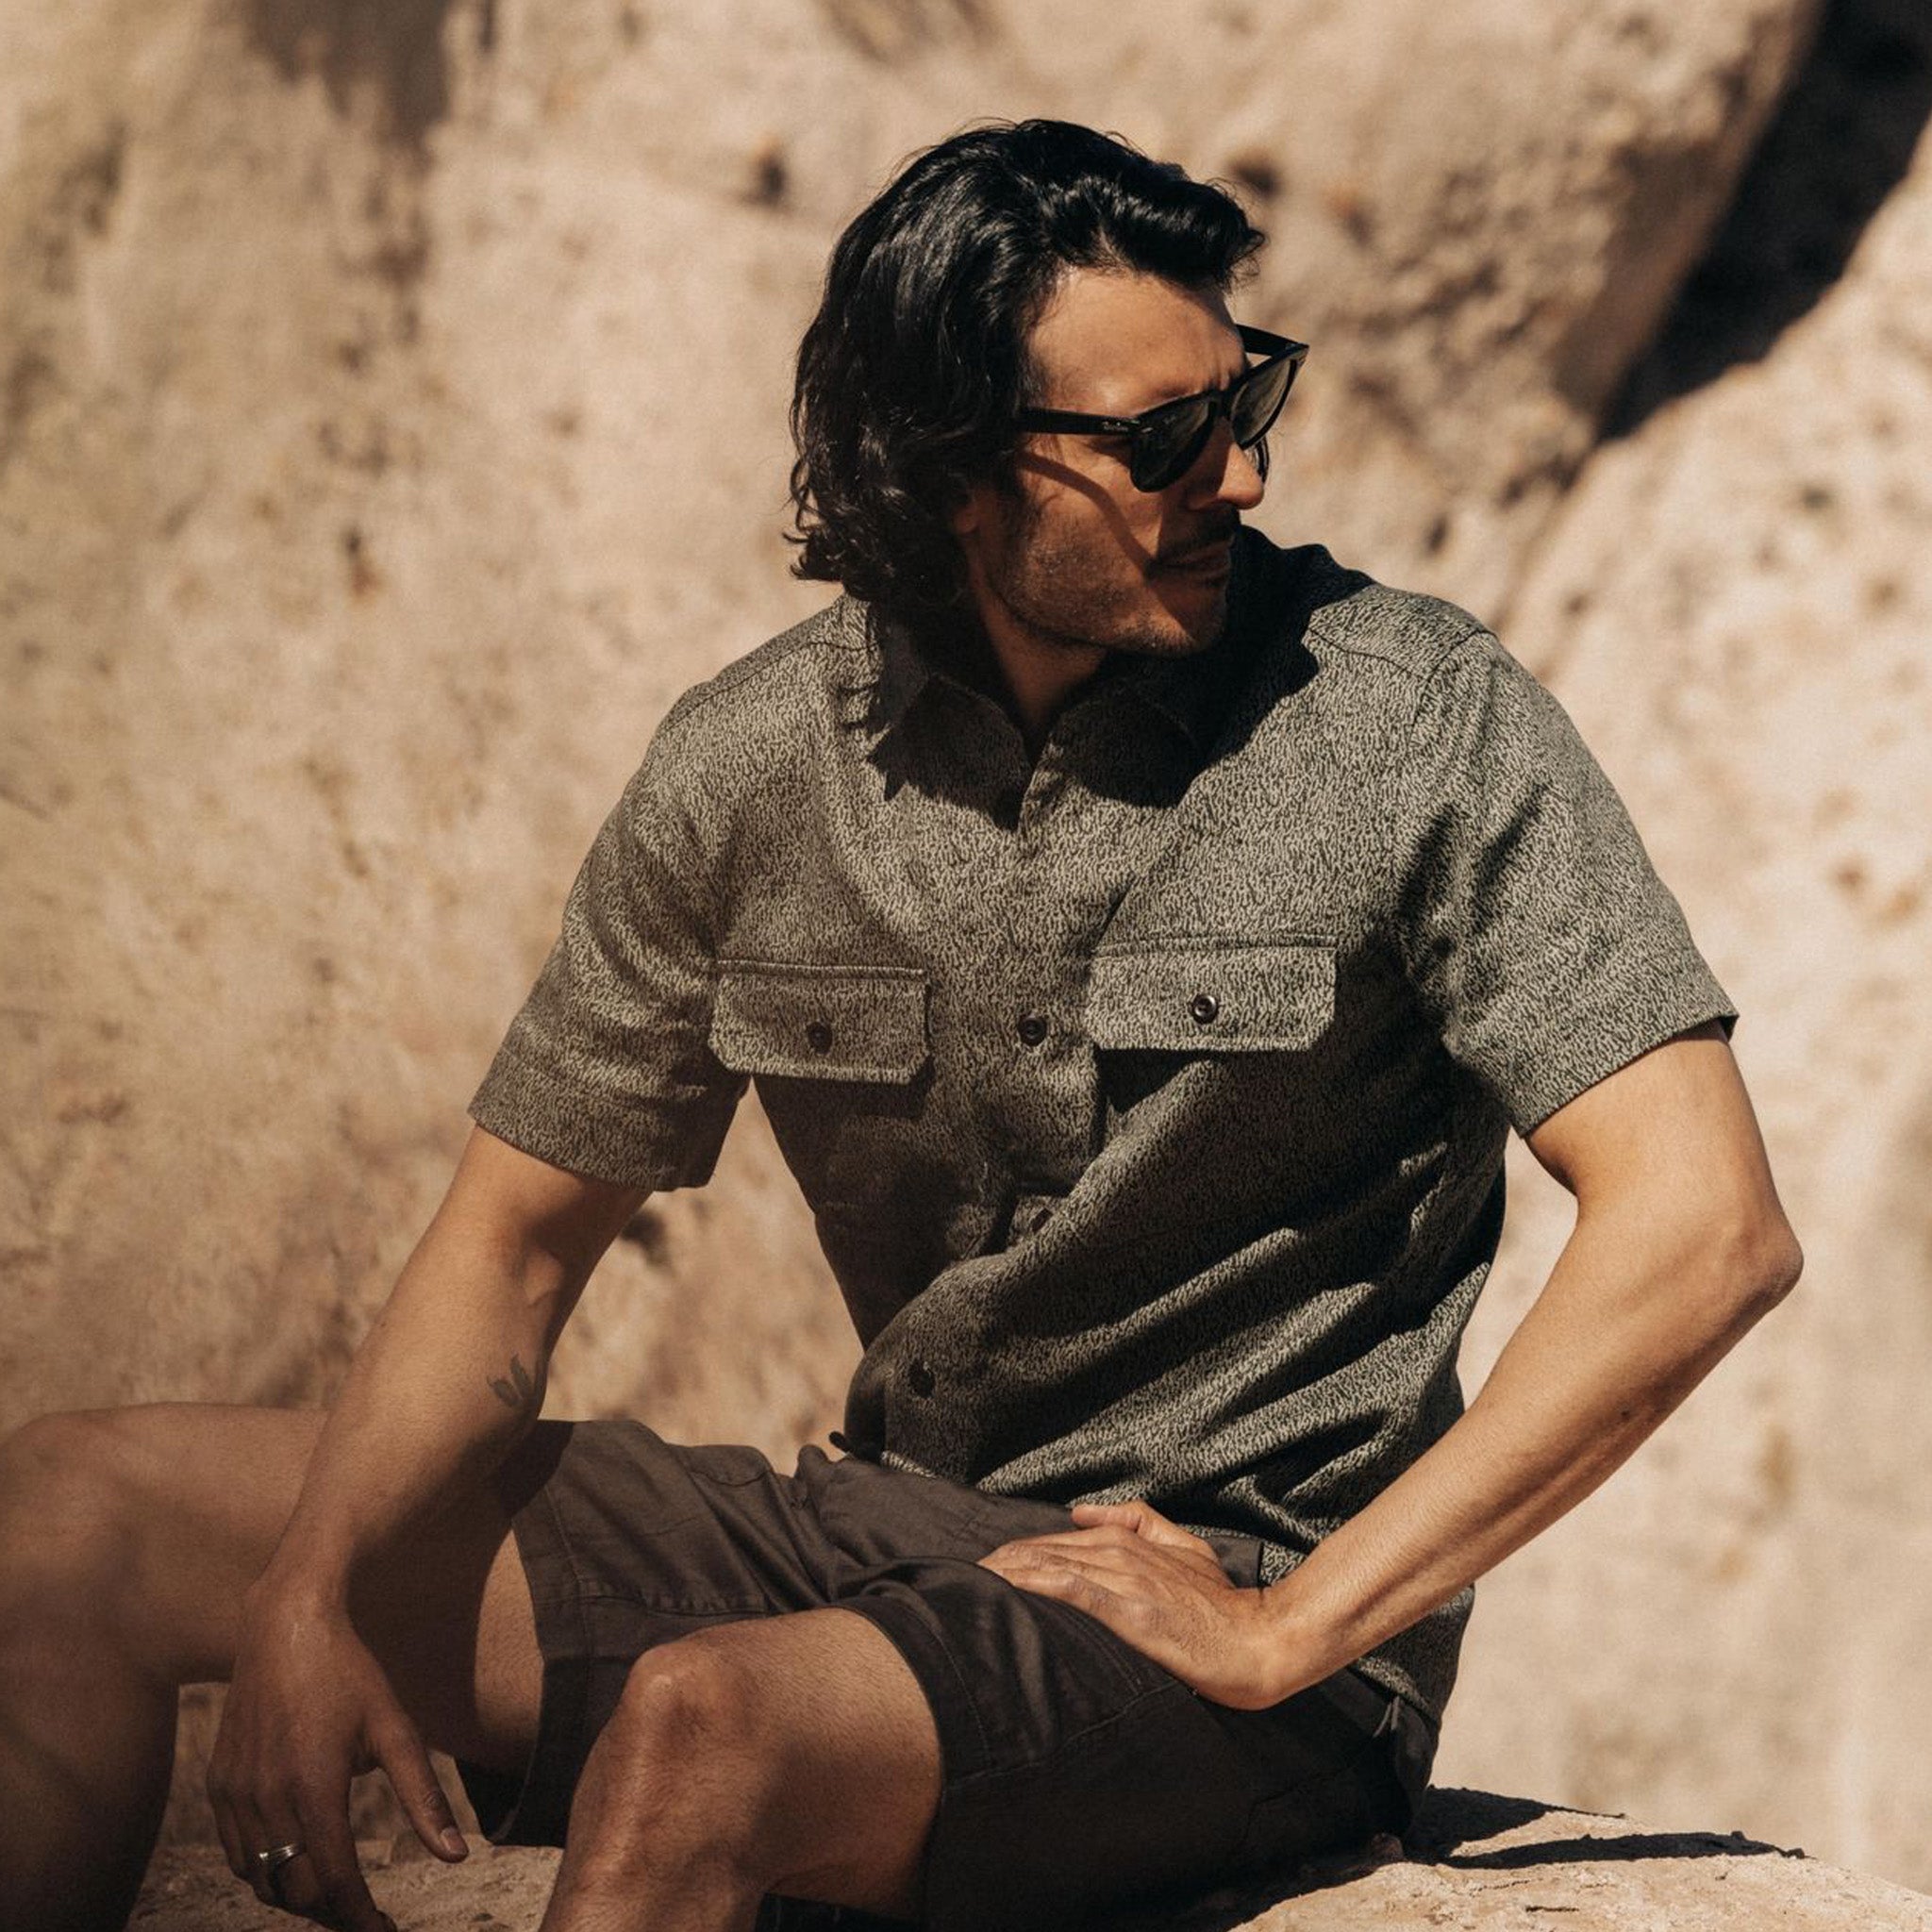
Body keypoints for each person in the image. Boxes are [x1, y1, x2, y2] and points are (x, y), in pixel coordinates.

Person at [0, 118, 1801, 1932]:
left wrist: (1292, 1626)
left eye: (1245, 398)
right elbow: (514, 1248)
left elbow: (1703, 1227)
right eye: (1162, 438)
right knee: (72, 1520)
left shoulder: (1413, 720)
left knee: (708, 1730)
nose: (1241, 474)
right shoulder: (754, 767)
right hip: (876, 1539)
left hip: (1241, 1622)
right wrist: (308, 1593)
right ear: (949, 472)